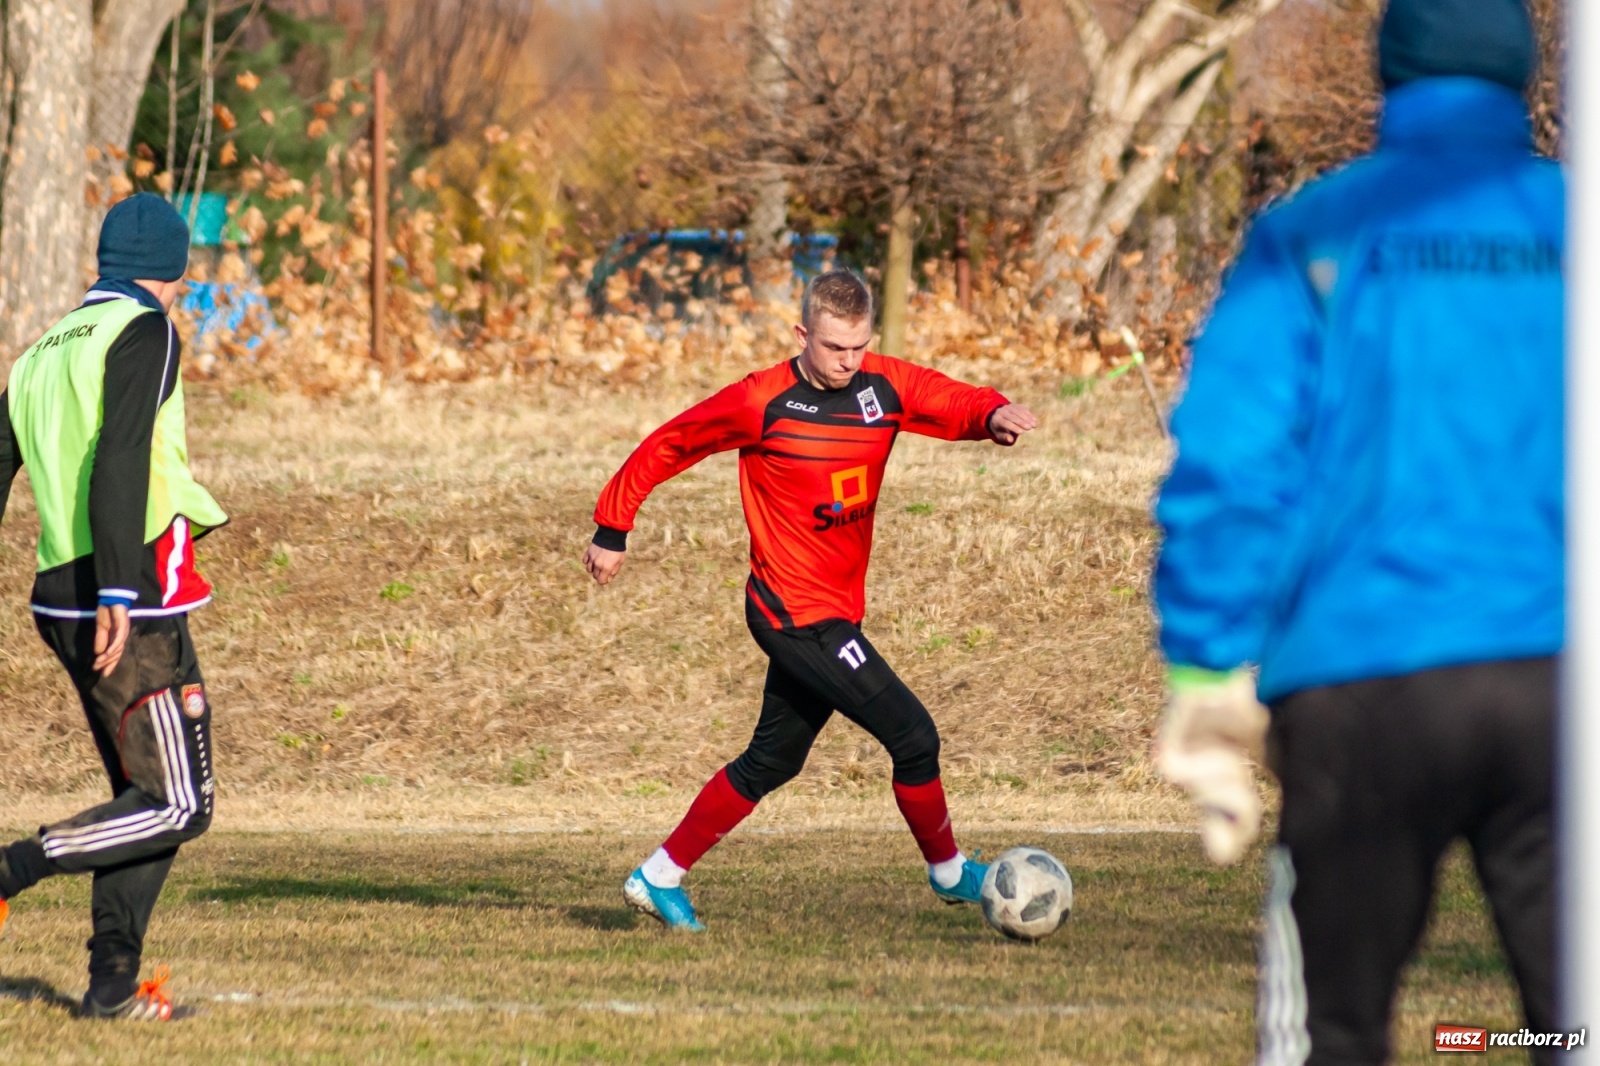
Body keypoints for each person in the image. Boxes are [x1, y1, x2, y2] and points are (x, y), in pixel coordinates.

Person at [1151, 0, 1561, 1062]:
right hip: (1565, 678)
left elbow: (1233, 461)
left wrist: (1203, 666)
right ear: (1524, 74)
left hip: (1360, 682)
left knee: (1333, 1032)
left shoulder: (1314, 231)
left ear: (1387, 71)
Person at [583, 269, 1038, 929]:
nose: (848, 363)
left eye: (858, 347)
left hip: (834, 612)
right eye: (833, 349)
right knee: (914, 736)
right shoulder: (760, 400)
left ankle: (658, 875)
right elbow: (670, 443)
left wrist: (990, 412)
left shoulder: (880, 385)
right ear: (803, 333)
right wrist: (612, 527)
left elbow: (943, 398)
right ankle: (948, 873)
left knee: (772, 760)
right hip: (792, 614)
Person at [0, 194, 228, 1020]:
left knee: (143, 795)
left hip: (58, 598)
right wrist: (121, 593)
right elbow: (122, 457)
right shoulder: (146, 329)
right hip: (126, 600)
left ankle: (111, 989)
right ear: (174, 272)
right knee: (179, 802)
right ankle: (14, 870)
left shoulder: (40, 351)